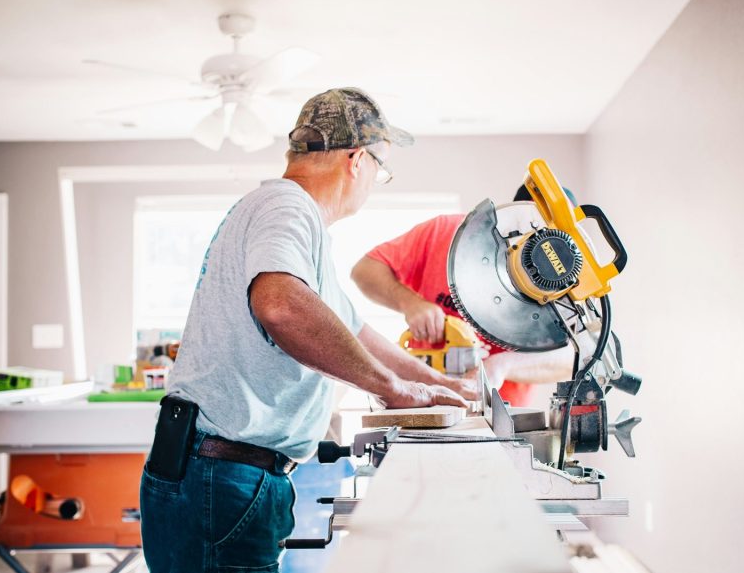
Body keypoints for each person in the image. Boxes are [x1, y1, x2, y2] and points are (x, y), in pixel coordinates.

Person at [139, 88, 475, 573]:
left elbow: (354, 331)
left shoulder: (292, 220)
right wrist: (391, 389)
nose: (375, 181)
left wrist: (438, 385)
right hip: (222, 475)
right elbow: (280, 307)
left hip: (221, 472)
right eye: (381, 169)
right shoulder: (287, 206)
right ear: (358, 160)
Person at [351, 185, 575, 407]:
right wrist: (410, 303)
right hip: (422, 398)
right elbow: (365, 270)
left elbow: (572, 357)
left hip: (501, 414)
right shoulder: (446, 233)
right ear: (512, 214)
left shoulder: (564, 281)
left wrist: (502, 365)